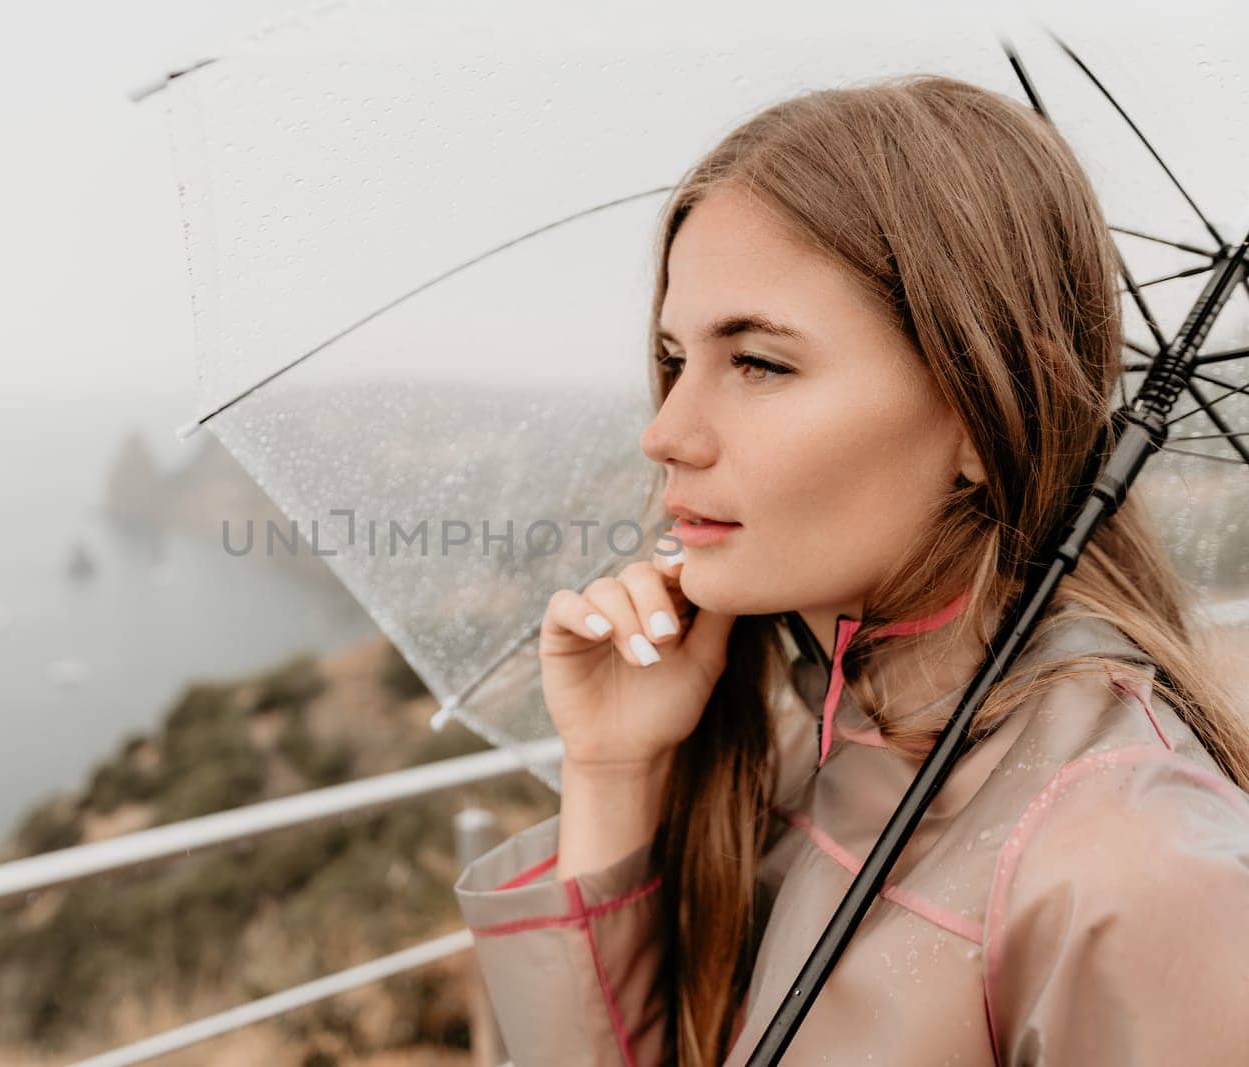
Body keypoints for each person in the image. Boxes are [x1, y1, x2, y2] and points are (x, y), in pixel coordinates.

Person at [453, 74, 1249, 1066]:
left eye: (757, 361)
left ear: (977, 411)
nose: (664, 432)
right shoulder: (814, 738)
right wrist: (612, 774)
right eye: (674, 356)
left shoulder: (1129, 866)